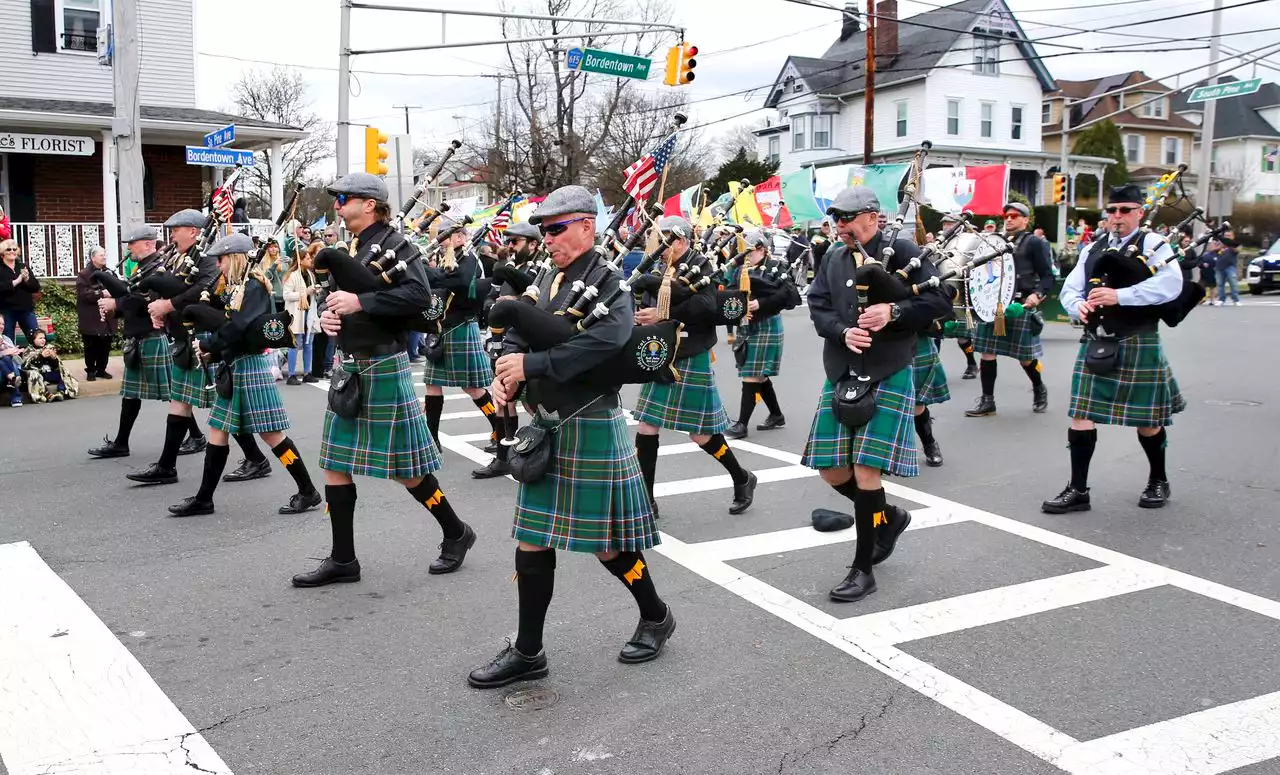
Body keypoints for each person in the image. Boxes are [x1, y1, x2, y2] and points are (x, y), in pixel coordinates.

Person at [467, 185, 673, 689]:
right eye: (544, 229)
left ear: (587, 226)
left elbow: (605, 343)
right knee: (532, 541)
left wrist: (533, 362)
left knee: (608, 546)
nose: (548, 237)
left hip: (589, 420)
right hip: (547, 420)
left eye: (557, 228)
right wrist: (507, 369)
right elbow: (523, 325)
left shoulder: (610, 286)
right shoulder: (549, 276)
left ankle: (656, 614)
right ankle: (529, 651)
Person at [292, 172, 476, 588]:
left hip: (382, 364)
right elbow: (335, 297)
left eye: (344, 198)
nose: (337, 204)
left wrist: (363, 300)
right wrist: (328, 314)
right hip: (350, 364)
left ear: (370, 204)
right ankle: (343, 560)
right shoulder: (353, 248)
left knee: (407, 471)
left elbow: (423, 303)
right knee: (335, 464)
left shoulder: (398, 245)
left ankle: (455, 531)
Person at [802, 186, 950, 603]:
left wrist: (894, 312)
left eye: (846, 217)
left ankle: (862, 569)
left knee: (866, 471)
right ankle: (889, 518)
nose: (840, 225)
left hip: (888, 370)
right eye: (836, 219)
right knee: (831, 470)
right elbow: (818, 304)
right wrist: (841, 330)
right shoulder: (832, 256)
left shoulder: (903, 251)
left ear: (872, 215)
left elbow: (941, 299)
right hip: (843, 370)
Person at [1042, 183, 1186, 514]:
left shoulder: (1153, 244)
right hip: (1098, 339)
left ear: (1139, 212)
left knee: (1148, 420)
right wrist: (1076, 305)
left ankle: (1158, 480)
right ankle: (1078, 490)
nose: (1116, 216)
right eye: (1112, 210)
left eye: (1124, 210)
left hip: (1138, 337)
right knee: (1080, 414)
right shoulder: (1093, 248)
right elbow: (1072, 287)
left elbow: (1170, 284)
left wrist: (1120, 296)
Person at [168, 233, 322, 517]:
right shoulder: (238, 287)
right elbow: (233, 326)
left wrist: (207, 344)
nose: (220, 265)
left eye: (223, 259)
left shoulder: (253, 286)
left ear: (235, 258)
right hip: (237, 365)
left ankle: (308, 490)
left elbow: (238, 328)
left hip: (250, 367)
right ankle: (204, 498)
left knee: (273, 436)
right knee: (218, 431)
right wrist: (215, 347)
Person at [633, 215, 758, 518]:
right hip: (662, 353)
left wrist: (663, 314)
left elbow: (705, 307)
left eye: (667, 241)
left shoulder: (703, 265)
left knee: (700, 434)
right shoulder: (660, 266)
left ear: (683, 240)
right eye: (659, 240)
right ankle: (646, 500)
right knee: (646, 425)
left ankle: (742, 478)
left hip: (691, 353)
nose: (661, 247)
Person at [125, 208, 217, 486]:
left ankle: (256, 458)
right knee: (179, 404)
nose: (172, 234)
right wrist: (157, 307)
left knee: (225, 407)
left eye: (176, 230)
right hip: (180, 337)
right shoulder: (177, 257)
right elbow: (168, 286)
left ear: (193, 231)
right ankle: (167, 467)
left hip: (201, 338)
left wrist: (169, 305)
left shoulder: (208, 259)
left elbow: (204, 290)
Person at [88, 227, 172, 458]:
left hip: (153, 337)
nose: (129, 248)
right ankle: (121, 443)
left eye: (132, 243)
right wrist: (115, 306)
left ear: (147, 244)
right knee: (131, 394)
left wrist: (116, 303)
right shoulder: (143, 268)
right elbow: (131, 298)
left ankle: (195, 436)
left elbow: (140, 300)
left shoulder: (158, 269)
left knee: (174, 394)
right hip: (138, 337)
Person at [965, 202, 1054, 418]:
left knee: (1025, 357)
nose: (1009, 219)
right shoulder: (997, 242)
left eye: (1015, 216)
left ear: (1026, 220)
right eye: (1006, 216)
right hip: (995, 305)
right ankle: (988, 402)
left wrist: (1037, 294)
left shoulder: (1034, 243)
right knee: (987, 353)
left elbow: (1047, 275)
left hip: (1019, 305)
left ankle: (1039, 387)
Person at [421, 222, 504, 450]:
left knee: (472, 388)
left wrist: (425, 271)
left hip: (461, 325)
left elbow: (458, 281)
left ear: (459, 237)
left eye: (444, 237)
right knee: (431, 384)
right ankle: (432, 438)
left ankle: (499, 427)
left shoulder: (469, 259)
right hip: (444, 326)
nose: (440, 241)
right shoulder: (448, 257)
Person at [472, 220, 542, 480]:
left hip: (528, 342)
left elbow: (535, 293)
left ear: (533, 243)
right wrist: (498, 303)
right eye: (508, 241)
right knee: (504, 401)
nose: (510, 246)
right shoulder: (512, 267)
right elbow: (491, 297)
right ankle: (504, 457)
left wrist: (514, 302)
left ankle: (544, 452)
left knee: (534, 405)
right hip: (504, 339)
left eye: (516, 241)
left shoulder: (541, 267)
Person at [724, 229, 794, 440]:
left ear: (762, 249)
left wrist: (760, 303)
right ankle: (776, 415)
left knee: (751, 374)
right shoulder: (738, 270)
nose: (745, 256)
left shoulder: (776, 267)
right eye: (742, 252)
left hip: (767, 324)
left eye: (749, 252)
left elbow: (789, 296)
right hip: (746, 325)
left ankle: (742, 424)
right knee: (759, 375)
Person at [281, 242, 321, 386]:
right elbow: (286, 295)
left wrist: (315, 291)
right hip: (296, 314)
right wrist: (305, 292)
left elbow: (310, 292)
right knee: (295, 344)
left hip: (308, 312)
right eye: (308, 258)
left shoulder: (310, 274)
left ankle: (307, 372)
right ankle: (291, 374)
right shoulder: (292, 276)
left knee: (308, 343)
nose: (311, 260)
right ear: (301, 259)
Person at [76, 246, 117, 382]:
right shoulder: (84, 274)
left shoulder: (109, 272)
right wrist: (101, 293)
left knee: (105, 344)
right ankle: (91, 370)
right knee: (91, 345)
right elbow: (83, 295)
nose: (104, 257)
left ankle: (101, 369)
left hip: (107, 316)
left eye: (104, 254)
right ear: (93, 257)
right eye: (101, 255)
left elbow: (118, 287)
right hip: (91, 316)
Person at [0, 239, 42, 345]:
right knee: (7, 341)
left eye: (14, 249)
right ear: (2, 253)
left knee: (36, 337)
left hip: (26, 309)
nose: (12, 251)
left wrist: (27, 279)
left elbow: (35, 287)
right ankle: (10, 361)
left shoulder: (23, 266)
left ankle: (40, 360)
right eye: (8, 249)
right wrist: (16, 281)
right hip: (7, 310)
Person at [21, 329, 77, 402]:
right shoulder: (28, 350)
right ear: (33, 340)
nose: (43, 340)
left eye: (44, 338)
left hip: (49, 374)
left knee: (64, 372)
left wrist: (53, 358)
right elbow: (26, 366)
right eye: (40, 338)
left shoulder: (49, 348)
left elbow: (56, 366)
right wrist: (41, 356)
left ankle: (61, 391)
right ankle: (47, 394)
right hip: (39, 374)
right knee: (34, 374)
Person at [0, 313, 25, 407]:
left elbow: (17, 360)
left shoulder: (6, 339)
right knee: (5, 357)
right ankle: (16, 395)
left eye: (3, 324)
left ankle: (12, 380)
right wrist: (3, 353)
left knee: (9, 360)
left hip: (8, 371)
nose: (1, 326)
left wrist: (16, 352)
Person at [1212, 230, 1241, 306]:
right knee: (1220, 284)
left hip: (1230, 267)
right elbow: (1212, 250)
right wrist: (1220, 246)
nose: (1227, 237)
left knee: (1233, 283)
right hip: (1219, 266)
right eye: (1225, 235)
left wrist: (1229, 245)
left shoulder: (1234, 244)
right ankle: (1221, 299)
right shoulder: (1220, 243)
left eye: (1229, 235)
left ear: (1232, 236)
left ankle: (1236, 299)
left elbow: (1237, 250)